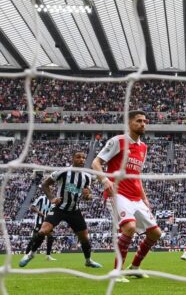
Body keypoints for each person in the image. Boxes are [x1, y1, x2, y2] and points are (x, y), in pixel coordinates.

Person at [92, 110, 163, 283]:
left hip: (136, 196)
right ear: (129, 123)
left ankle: (135, 267)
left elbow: (136, 174)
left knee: (155, 233)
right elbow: (96, 162)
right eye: (139, 121)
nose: (143, 124)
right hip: (118, 194)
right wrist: (104, 180)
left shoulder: (143, 147)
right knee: (129, 228)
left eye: (145, 121)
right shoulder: (118, 141)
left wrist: (144, 197)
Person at [19, 151, 102, 269]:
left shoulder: (87, 177)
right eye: (78, 157)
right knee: (43, 231)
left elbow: (87, 195)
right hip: (59, 209)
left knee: (84, 238)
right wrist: (52, 198)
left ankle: (88, 260)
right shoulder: (63, 172)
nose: (82, 160)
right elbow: (45, 185)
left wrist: (88, 196)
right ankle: (30, 254)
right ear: (73, 159)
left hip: (74, 210)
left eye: (83, 158)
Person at [27, 178, 55, 261]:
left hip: (48, 222)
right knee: (34, 238)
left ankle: (48, 256)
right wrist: (40, 213)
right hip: (39, 221)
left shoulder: (53, 199)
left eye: (51, 189)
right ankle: (27, 253)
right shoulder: (41, 198)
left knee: (50, 237)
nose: (51, 190)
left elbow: (52, 210)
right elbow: (32, 207)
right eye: (50, 189)